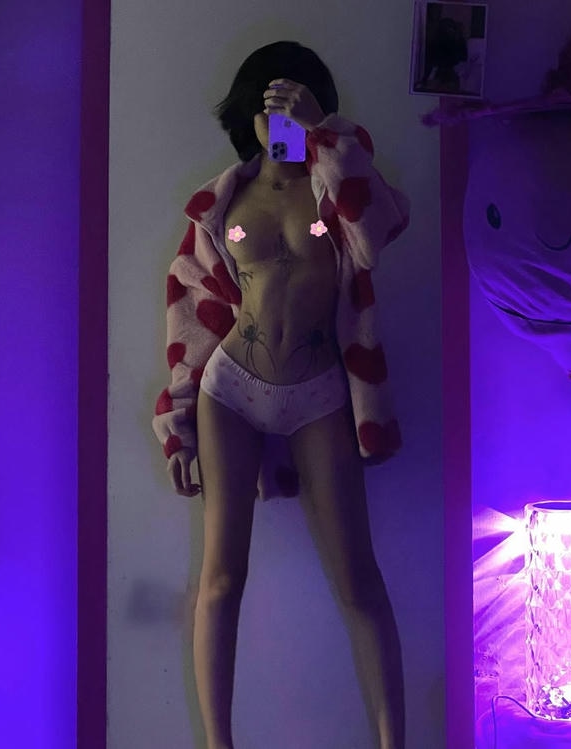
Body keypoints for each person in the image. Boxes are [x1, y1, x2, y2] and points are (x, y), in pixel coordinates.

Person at [153, 41, 410, 749]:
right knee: (221, 578)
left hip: (320, 392)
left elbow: (377, 232)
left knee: (359, 579)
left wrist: (327, 134)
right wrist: (178, 425)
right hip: (230, 390)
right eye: (272, 108)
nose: (283, 122)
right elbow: (191, 307)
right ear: (250, 115)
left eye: (297, 107)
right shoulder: (226, 206)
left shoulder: (333, 198)